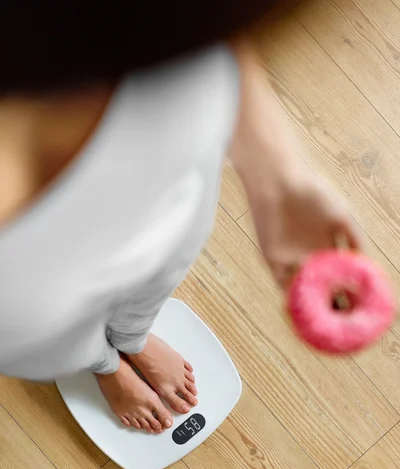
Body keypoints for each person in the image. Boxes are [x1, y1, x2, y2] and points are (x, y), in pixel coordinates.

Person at [0, 2, 363, 433]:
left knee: (162, 263)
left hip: (173, 197)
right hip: (27, 302)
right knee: (51, 334)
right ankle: (103, 363)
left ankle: (132, 337)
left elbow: (198, 32)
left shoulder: (163, 27)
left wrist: (278, 176)